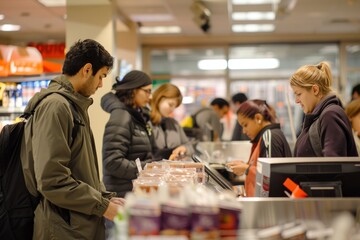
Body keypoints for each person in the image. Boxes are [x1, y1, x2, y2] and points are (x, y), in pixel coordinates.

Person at [20, 39, 125, 240]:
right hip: (62, 228)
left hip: (76, 225)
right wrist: (103, 206)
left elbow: (79, 169)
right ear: (87, 70)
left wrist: (106, 198)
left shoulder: (73, 105)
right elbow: (52, 180)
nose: (101, 84)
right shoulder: (56, 106)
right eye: (101, 76)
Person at [101, 70, 156, 198]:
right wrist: (147, 168)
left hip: (132, 192)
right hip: (121, 196)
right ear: (133, 90)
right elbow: (112, 162)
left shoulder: (137, 114)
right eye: (147, 91)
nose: (150, 96)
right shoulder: (121, 116)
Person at [290, 61, 358, 157]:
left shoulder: (330, 115)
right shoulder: (319, 117)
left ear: (315, 90)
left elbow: (333, 165)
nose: (297, 101)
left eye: (299, 94)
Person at [226, 99, 292, 197]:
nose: (244, 131)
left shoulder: (269, 136)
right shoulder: (264, 137)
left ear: (258, 118)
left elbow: (272, 176)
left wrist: (246, 169)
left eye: (245, 125)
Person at [150, 83, 194, 160]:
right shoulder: (146, 122)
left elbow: (189, 146)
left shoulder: (174, 123)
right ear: (159, 99)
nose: (172, 109)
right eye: (170, 105)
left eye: (175, 106)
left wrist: (184, 148)